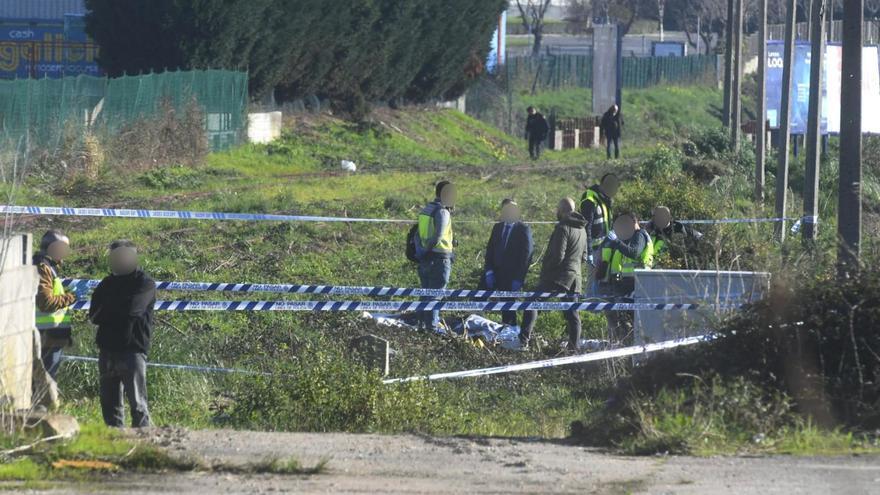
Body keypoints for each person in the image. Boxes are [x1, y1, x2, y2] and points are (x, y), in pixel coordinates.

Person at [89, 240, 156, 428]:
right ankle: (115, 443)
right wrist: (116, 307)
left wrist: (108, 309)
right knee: (110, 405)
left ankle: (144, 442)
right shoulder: (106, 283)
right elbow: (94, 314)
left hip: (132, 350)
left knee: (138, 404)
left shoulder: (145, 283)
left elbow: (133, 310)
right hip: (107, 349)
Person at [520, 198, 587, 350]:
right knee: (573, 314)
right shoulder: (582, 228)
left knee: (532, 301)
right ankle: (574, 348)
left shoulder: (562, 227)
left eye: (557, 208)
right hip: (575, 277)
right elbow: (583, 256)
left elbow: (558, 255)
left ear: (562, 210)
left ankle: (523, 341)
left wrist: (546, 273)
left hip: (559, 277)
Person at [34, 230, 86, 379]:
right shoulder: (43, 268)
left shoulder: (48, 266)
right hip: (47, 334)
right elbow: (46, 302)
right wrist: (73, 296)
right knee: (45, 381)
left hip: (49, 333)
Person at [595, 213, 654, 343]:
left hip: (636, 283)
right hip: (619, 284)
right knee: (617, 318)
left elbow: (633, 252)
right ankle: (622, 345)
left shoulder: (640, 235)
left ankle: (631, 345)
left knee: (630, 318)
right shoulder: (626, 237)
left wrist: (616, 241)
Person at [480, 199, 534, 327]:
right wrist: (488, 271)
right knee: (478, 298)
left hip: (510, 277)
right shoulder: (497, 227)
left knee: (508, 309)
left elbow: (526, 256)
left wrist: (519, 278)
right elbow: (490, 250)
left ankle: (510, 334)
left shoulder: (523, 229)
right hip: (493, 272)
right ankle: (476, 328)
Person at [416, 181, 456, 333]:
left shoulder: (426, 210)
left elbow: (417, 234)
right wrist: (428, 250)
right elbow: (438, 236)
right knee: (435, 296)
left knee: (425, 294)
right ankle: (432, 329)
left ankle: (421, 326)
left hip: (425, 259)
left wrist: (421, 251)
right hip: (439, 259)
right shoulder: (442, 212)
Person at [580, 173, 620, 295]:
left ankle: (599, 307)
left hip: (606, 247)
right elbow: (587, 227)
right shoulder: (590, 199)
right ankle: (590, 309)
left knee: (603, 278)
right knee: (593, 279)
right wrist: (589, 252)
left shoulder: (605, 198)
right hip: (594, 248)